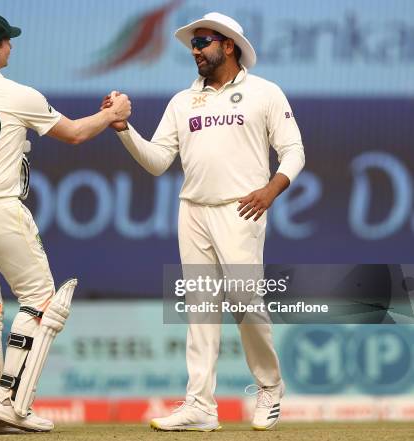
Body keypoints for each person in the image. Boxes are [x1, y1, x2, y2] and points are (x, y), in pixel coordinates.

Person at [0, 12, 130, 435]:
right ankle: (10, 401)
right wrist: (111, 115)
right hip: (0, 209)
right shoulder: (15, 94)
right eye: (8, 42)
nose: (12, 47)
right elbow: (74, 135)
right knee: (42, 299)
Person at [102, 12, 304, 431]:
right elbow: (158, 162)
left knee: (245, 302)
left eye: (203, 43)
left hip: (241, 207)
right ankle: (200, 405)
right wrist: (124, 130)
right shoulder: (182, 101)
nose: (195, 51)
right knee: (200, 308)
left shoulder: (264, 92)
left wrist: (271, 189)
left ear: (228, 45)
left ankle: (269, 387)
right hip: (192, 210)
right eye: (193, 45)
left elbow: (294, 151)